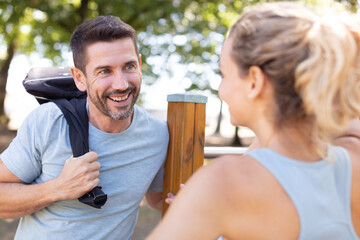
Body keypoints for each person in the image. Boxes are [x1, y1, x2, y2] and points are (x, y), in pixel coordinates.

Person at [147, 2, 360, 239]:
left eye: (224, 74)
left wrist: (197, 207)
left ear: (254, 82)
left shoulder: (224, 182)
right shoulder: (352, 163)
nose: (221, 89)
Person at [0, 15, 169, 239]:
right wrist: (58, 188)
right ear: (79, 78)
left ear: (139, 63)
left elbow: (158, 199)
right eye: (104, 71)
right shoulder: (48, 122)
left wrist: (190, 200)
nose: (121, 84)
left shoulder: (157, 136)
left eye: (129, 66)